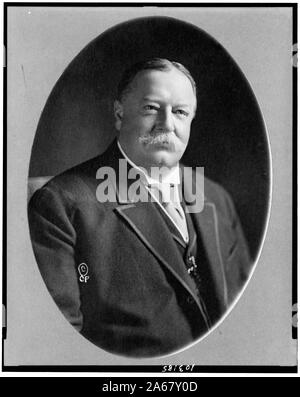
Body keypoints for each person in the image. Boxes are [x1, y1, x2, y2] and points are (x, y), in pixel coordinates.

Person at [28, 58, 251, 358]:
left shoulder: (216, 198)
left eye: (180, 112)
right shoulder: (61, 204)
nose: (167, 124)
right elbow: (58, 348)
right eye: (150, 108)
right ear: (119, 115)